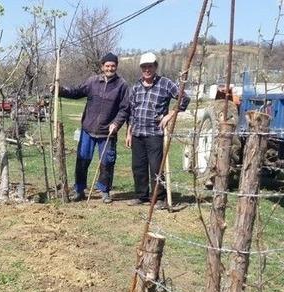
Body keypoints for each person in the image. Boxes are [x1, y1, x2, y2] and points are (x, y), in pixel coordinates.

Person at [59, 52, 130, 203]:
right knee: (82, 159)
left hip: (107, 132)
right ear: (102, 66)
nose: (110, 68)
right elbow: (76, 92)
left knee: (107, 162)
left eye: (113, 66)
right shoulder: (92, 81)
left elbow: (125, 108)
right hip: (88, 130)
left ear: (116, 66)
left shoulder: (121, 85)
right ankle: (79, 190)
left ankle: (104, 191)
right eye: (107, 65)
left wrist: (116, 124)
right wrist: (60, 90)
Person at [125, 52, 189, 209]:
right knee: (138, 166)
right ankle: (141, 195)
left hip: (155, 133)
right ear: (141, 68)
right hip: (138, 133)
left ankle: (159, 198)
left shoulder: (165, 84)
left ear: (155, 67)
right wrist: (129, 132)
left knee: (156, 167)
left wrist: (171, 114)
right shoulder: (136, 87)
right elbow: (132, 111)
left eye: (150, 66)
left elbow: (184, 98)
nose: (147, 69)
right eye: (144, 67)